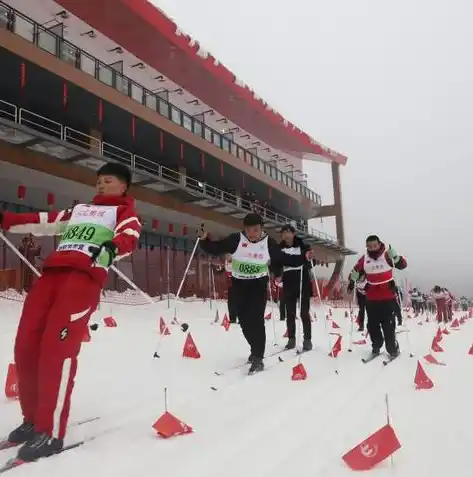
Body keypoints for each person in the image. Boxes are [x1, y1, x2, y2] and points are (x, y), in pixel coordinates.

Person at [1, 163, 141, 461]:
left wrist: (111, 249)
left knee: (57, 349)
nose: (101, 185)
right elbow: (43, 220)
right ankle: (32, 420)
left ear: (123, 186)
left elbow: (129, 237)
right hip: (51, 275)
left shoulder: (123, 213)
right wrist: (7, 220)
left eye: (108, 181)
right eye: (99, 181)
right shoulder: (80, 210)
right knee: (26, 345)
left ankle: (50, 432)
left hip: (82, 279)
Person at [197, 214, 311, 374]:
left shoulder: (268, 243)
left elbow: (284, 258)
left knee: (256, 320)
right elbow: (216, 248)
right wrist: (204, 239)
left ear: (261, 229)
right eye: (248, 230)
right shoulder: (236, 239)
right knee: (244, 322)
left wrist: (303, 258)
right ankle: (254, 348)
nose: (252, 234)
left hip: (258, 285)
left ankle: (258, 357)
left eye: (255, 230)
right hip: (239, 285)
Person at [348, 235, 407, 359]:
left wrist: (396, 258)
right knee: (372, 325)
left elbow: (402, 265)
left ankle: (392, 348)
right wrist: (352, 279)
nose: (372, 249)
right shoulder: (364, 259)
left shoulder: (387, 255)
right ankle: (376, 345)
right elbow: (356, 271)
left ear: (379, 244)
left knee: (388, 325)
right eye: (369, 246)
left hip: (388, 297)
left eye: (375, 246)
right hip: (372, 298)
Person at [279, 224, 313, 351]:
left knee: (304, 312)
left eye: (289, 232)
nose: (286, 235)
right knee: (290, 312)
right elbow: (278, 263)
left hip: (302, 281)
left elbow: (309, 262)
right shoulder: (279, 248)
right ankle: (291, 338)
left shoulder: (303, 246)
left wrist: (309, 258)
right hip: (288, 281)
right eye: (284, 233)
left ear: (293, 234)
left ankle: (307, 339)